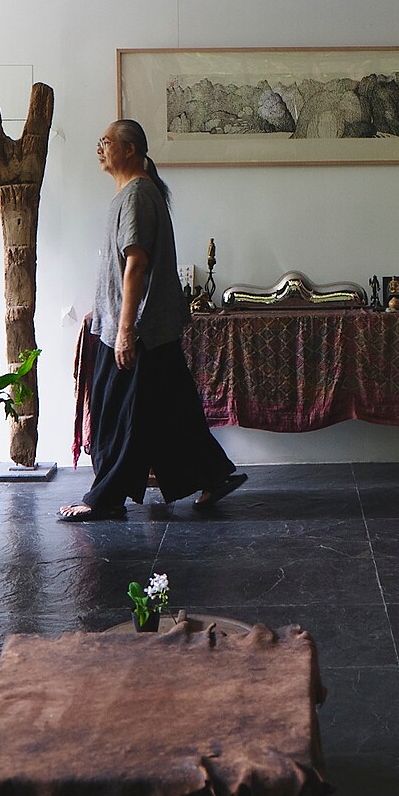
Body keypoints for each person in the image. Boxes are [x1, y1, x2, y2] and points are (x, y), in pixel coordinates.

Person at [60, 118, 246, 520]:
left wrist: (125, 329)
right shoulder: (132, 193)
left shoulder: (138, 195)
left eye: (106, 141)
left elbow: (137, 264)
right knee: (172, 411)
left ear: (130, 149)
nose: (99, 147)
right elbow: (120, 267)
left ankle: (105, 498)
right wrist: (105, 307)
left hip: (139, 329)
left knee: (118, 415)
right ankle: (214, 475)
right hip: (140, 325)